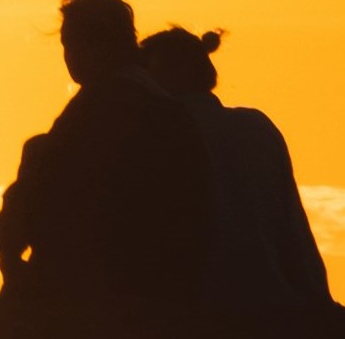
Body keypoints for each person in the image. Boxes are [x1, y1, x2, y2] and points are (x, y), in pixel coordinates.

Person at [0, 0, 210, 301]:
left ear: (99, 44)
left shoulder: (105, 108)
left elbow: (48, 195)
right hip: (157, 286)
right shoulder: (162, 107)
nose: (68, 55)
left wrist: (12, 255)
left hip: (99, 291)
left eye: (72, 44)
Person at [139, 24, 331, 308]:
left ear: (174, 73)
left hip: (206, 305)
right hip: (276, 299)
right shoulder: (257, 127)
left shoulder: (160, 135)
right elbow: (291, 225)